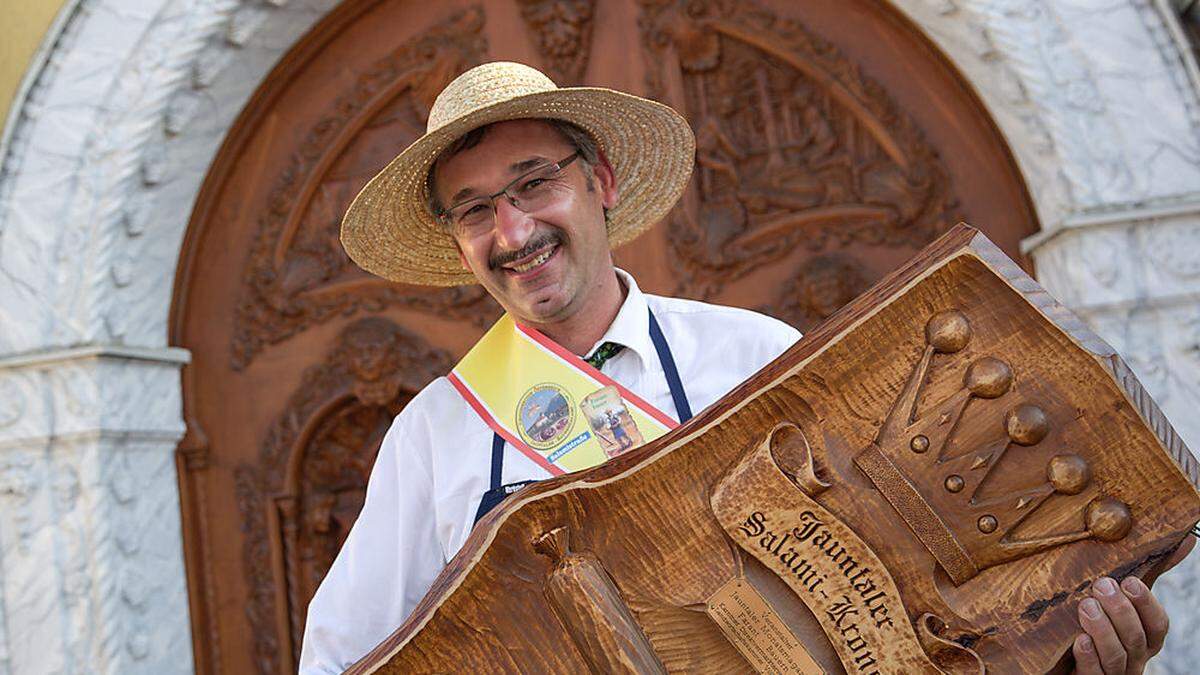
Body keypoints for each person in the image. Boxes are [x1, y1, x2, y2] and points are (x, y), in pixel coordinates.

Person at [300, 61, 1190, 674]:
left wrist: (1068, 655)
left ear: (601, 180)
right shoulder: (437, 432)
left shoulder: (755, 354)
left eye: (536, 183)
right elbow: (337, 659)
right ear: (459, 246)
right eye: (476, 209)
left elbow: (909, 600)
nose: (514, 231)